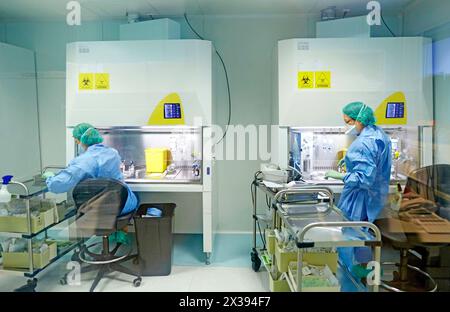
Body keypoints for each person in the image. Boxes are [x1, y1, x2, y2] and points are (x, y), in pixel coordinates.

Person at [325, 102, 392, 278]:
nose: (348, 126)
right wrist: (349, 160)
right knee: (362, 234)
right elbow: (373, 164)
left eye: (348, 122)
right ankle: (366, 269)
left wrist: (340, 175)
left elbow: (364, 178)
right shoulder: (378, 134)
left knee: (351, 234)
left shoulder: (363, 143)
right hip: (373, 196)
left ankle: (352, 276)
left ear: (358, 120)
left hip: (360, 197)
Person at [43, 123, 138, 216]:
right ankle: (118, 230)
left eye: (76, 141)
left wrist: (50, 178)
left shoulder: (85, 161)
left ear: (81, 141)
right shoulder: (113, 153)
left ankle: (111, 230)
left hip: (101, 208)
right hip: (125, 203)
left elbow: (58, 185)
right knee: (136, 197)